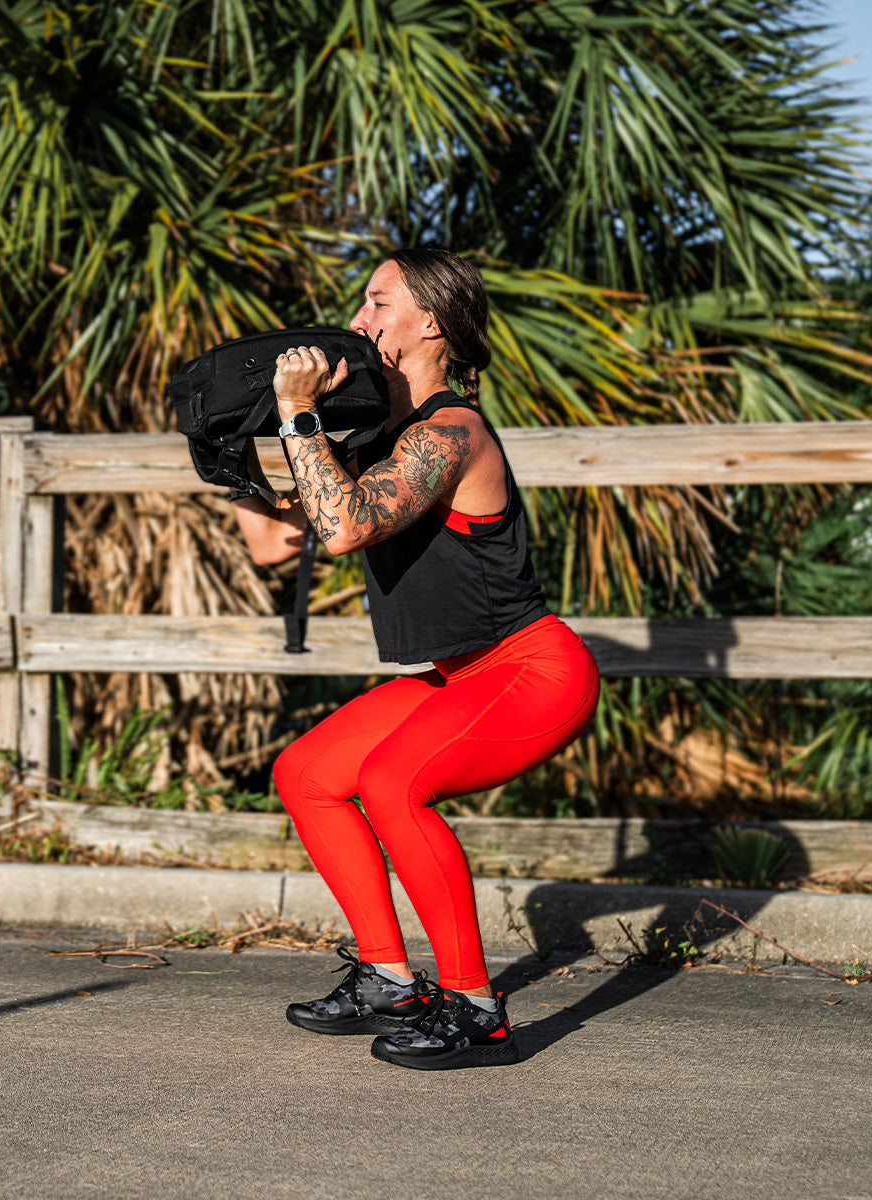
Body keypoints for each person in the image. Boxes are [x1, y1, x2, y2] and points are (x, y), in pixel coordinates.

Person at [229, 248, 600, 1070]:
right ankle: (391, 980)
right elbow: (271, 542)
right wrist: (231, 447)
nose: (357, 321)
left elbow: (347, 526)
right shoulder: (376, 442)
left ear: (429, 323)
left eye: (376, 303)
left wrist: (299, 419)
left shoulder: (453, 431)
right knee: (309, 774)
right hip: (458, 674)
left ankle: (474, 1007)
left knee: (395, 782)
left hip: (533, 669)